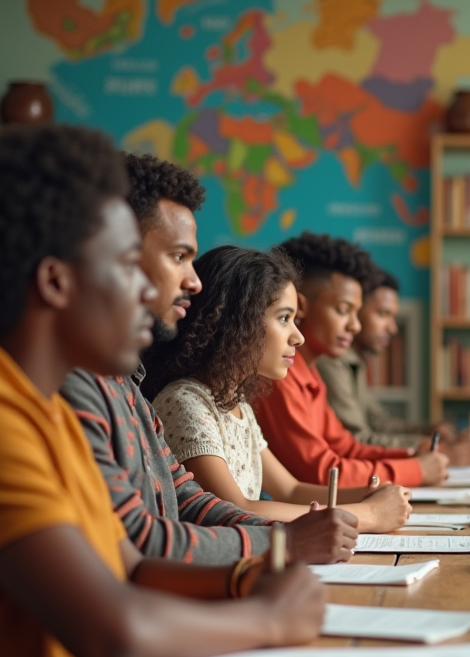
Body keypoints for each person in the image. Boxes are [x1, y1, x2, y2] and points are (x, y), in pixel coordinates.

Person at [0, 125, 340, 657]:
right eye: (126, 265)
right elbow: (115, 629)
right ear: (56, 282)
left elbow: (132, 568)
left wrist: (250, 579)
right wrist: (268, 619)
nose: (154, 292)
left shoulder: (45, 410)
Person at [61, 153, 344, 564]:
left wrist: (292, 535)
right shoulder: (72, 390)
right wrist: (286, 545)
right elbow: (141, 544)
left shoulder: (126, 385)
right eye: (178, 256)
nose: (194, 283)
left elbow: (189, 501)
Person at [146, 246, 412, 532]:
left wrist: (368, 495)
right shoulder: (185, 402)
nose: (297, 337)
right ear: (239, 321)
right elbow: (236, 509)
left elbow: (291, 489)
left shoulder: (237, 405)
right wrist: (368, 514)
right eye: (284, 319)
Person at [252, 232, 448, 488]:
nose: (355, 326)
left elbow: (345, 447)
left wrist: (410, 457)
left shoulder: (310, 373)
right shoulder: (279, 377)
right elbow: (321, 472)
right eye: (343, 311)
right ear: (301, 307)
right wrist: (415, 471)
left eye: (356, 313)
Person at [315, 266, 470, 465]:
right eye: (383, 314)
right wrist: (438, 449)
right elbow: (357, 440)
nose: (393, 328)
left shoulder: (354, 360)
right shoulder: (331, 361)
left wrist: (431, 432)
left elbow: (378, 422)